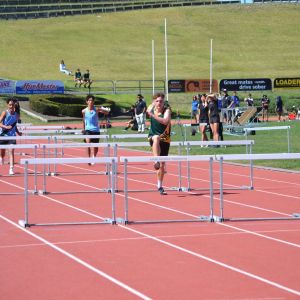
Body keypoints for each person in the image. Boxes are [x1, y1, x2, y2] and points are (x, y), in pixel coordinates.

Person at [147, 93, 171, 195]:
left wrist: (152, 115)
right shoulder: (151, 107)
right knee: (156, 138)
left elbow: (165, 121)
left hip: (165, 137)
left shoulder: (167, 110)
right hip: (153, 135)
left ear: (164, 101)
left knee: (162, 165)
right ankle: (156, 160)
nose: (159, 103)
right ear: (154, 102)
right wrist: (152, 108)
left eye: (161, 101)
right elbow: (148, 108)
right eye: (157, 101)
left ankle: (160, 186)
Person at [82, 95, 109, 165]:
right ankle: (88, 159)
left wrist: (102, 109)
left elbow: (107, 113)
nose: (90, 101)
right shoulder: (84, 111)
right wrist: (83, 128)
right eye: (89, 100)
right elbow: (83, 120)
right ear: (87, 101)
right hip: (88, 130)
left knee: (95, 147)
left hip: (96, 130)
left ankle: (94, 157)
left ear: (93, 102)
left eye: (92, 100)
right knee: (88, 144)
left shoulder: (96, 109)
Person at [0, 98, 22, 175]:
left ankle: (11, 168)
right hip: (3, 134)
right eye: (10, 105)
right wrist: (5, 127)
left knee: (11, 151)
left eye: (12, 105)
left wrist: (18, 132)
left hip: (12, 136)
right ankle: (2, 158)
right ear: (7, 105)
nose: (11, 106)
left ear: (14, 106)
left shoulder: (16, 115)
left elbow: (14, 125)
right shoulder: (5, 113)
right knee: (2, 152)